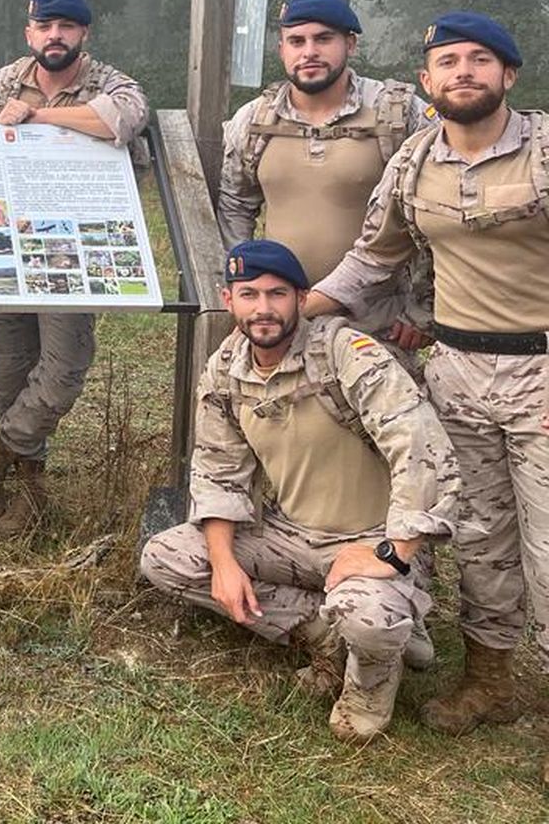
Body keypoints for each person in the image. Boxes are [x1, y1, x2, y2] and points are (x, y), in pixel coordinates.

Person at [307, 11, 547, 753]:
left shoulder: (543, 151)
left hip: (544, 369)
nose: (464, 72)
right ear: (427, 81)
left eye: (481, 59)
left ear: (509, 75)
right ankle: (491, 679)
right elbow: (373, 259)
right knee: (479, 536)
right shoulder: (414, 161)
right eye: (448, 62)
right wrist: (295, 306)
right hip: (458, 373)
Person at [140, 240, 459, 742]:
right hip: (290, 535)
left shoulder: (345, 354)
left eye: (277, 294)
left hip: (370, 537)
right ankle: (332, 639)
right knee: (166, 556)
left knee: (370, 621)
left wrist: (394, 554)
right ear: (229, 300)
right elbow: (218, 473)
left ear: (302, 298)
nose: (263, 309)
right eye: (249, 295)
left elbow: (421, 447)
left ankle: (372, 676)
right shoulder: (227, 368)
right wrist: (223, 565)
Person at [0, 0, 149, 536]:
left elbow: (122, 120)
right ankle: (29, 487)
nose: (55, 36)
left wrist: (38, 118)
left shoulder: (109, 82)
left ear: (83, 34)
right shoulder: (2, 83)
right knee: (10, 375)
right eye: (45, 27)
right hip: (4, 245)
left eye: (66, 27)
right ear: (30, 33)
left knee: (63, 368)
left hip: (74, 250)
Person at [218, 0, 431, 347]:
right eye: (296, 41)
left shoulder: (397, 114)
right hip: (280, 323)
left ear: (351, 44)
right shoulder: (254, 120)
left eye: (323, 39)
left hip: (376, 323)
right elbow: (234, 206)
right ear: (281, 50)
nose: (309, 51)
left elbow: (439, 216)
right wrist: (246, 290)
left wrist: (423, 307)